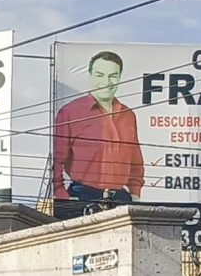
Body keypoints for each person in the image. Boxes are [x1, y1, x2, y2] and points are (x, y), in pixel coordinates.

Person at [50, 47, 144, 205]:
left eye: (113, 76)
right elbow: (57, 159)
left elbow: (136, 159)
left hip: (121, 198)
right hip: (82, 196)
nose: (106, 82)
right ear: (90, 75)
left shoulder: (128, 115)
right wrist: (62, 196)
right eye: (100, 75)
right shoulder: (70, 112)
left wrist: (135, 193)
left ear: (120, 77)